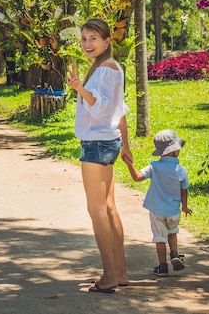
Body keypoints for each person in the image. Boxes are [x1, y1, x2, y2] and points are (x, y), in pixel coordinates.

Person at [66, 18, 132, 294]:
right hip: (109, 142)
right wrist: (125, 145)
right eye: (83, 39)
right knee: (109, 206)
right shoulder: (112, 67)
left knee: (97, 210)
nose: (87, 44)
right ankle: (120, 271)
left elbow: (103, 108)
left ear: (107, 42)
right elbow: (121, 110)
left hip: (95, 144)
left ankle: (109, 276)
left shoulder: (104, 71)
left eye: (93, 38)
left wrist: (80, 88)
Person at [122, 129, 192, 276]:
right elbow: (184, 190)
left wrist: (129, 164)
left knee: (160, 238)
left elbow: (137, 177)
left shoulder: (154, 166)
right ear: (174, 151)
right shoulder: (181, 170)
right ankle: (174, 253)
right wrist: (184, 206)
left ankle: (162, 266)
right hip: (174, 210)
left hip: (157, 211)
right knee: (172, 232)